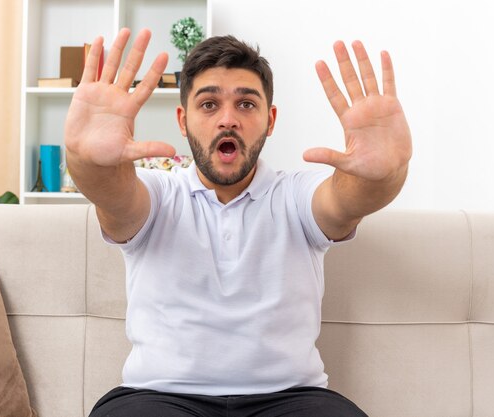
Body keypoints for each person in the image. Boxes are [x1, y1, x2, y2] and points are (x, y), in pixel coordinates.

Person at [65, 27, 411, 417]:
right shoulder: (157, 195)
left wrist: (383, 173)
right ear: (183, 120)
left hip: (291, 398)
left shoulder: (296, 195)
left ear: (270, 119)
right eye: (209, 104)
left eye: (246, 105)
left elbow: (350, 197)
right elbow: (110, 191)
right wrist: (84, 160)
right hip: (158, 397)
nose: (227, 119)